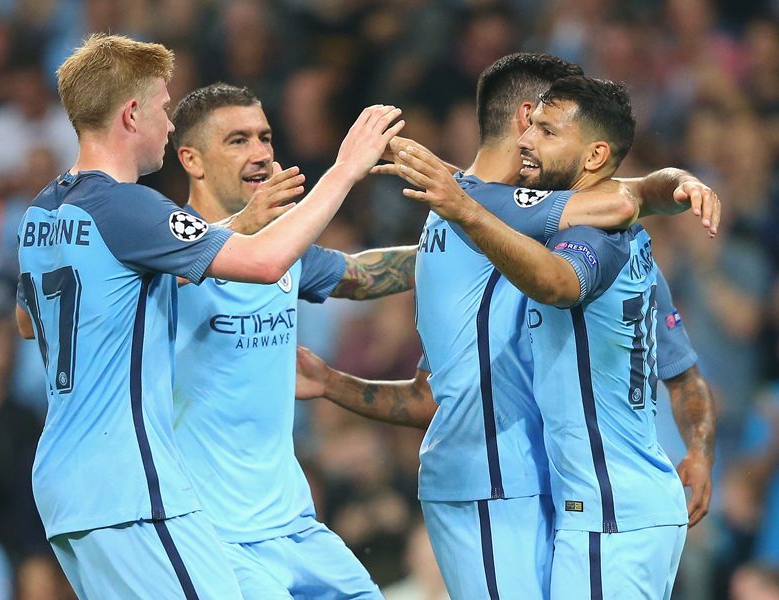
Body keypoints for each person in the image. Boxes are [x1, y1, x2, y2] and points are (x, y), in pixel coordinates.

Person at [297, 53, 716, 600]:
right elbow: (431, 391)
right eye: (542, 123)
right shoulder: (478, 225)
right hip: (500, 485)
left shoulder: (514, 225)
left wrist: (678, 181)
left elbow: (619, 205)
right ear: (525, 120)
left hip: (580, 498)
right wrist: (327, 378)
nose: (539, 138)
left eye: (553, 129)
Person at [14, 34, 403, 599]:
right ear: (132, 114)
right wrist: (345, 169)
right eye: (163, 107)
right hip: (130, 483)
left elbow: (29, 322)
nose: (169, 124)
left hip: (64, 486)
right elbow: (266, 262)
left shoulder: (43, 211)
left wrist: (233, 226)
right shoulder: (126, 205)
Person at [398, 74, 697, 598]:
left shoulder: (591, 236)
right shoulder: (630, 241)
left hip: (609, 513)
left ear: (594, 154)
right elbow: (683, 370)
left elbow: (558, 284)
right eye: (532, 125)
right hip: (620, 505)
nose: (527, 141)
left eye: (547, 131)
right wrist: (702, 451)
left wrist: (463, 206)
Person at [169, 82, 417, 599]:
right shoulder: (162, 249)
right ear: (192, 159)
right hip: (213, 536)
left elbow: (362, 275)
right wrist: (343, 170)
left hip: (296, 525)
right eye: (238, 140)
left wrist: (474, 238)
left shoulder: (281, 247)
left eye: (264, 137)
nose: (260, 153)